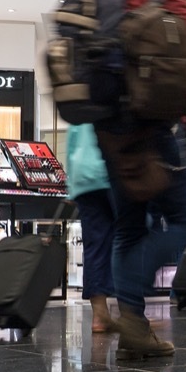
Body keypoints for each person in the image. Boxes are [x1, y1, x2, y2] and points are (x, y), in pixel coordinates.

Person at [96, 0, 186, 361]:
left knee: (128, 227)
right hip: (153, 130)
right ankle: (133, 318)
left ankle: (135, 325)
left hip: (110, 133)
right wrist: (184, 0)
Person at [67, 124, 117, 332]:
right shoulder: (112, 93)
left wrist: (72, 186)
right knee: (128, 239)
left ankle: (99, 317)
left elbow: (72, 143)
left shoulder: (81, 97)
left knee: (94, 247)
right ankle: (132, 314)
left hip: (83, 177)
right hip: (111, 171)